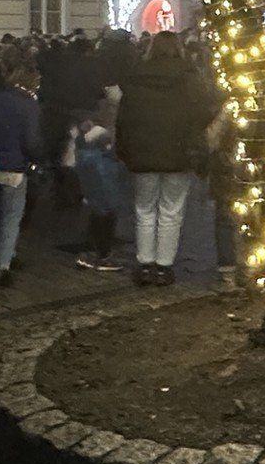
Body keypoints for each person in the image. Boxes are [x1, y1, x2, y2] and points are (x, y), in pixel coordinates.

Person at [115, 32, 212, 286]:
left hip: (143, 152)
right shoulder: (189, 77)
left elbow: (124, 118)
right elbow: (204, 112)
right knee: (172, 210)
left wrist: (124, 149)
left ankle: (145, 263)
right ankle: (164, 265)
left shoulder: (137, 76)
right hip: (178, 152)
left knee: (144, 209)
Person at [0, 63, 42, 287]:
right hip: (14, 168)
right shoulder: (29, 106)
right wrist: (36, 160)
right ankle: (2, 265)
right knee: (11, 219)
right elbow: (31, 141)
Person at [72, 84, 125, 272]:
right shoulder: (106, 128)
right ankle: (102, 254)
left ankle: (94, 250)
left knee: (97, 207)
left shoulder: (89, 124)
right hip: (102, 168)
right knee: (106, 209)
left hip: (91, 168)